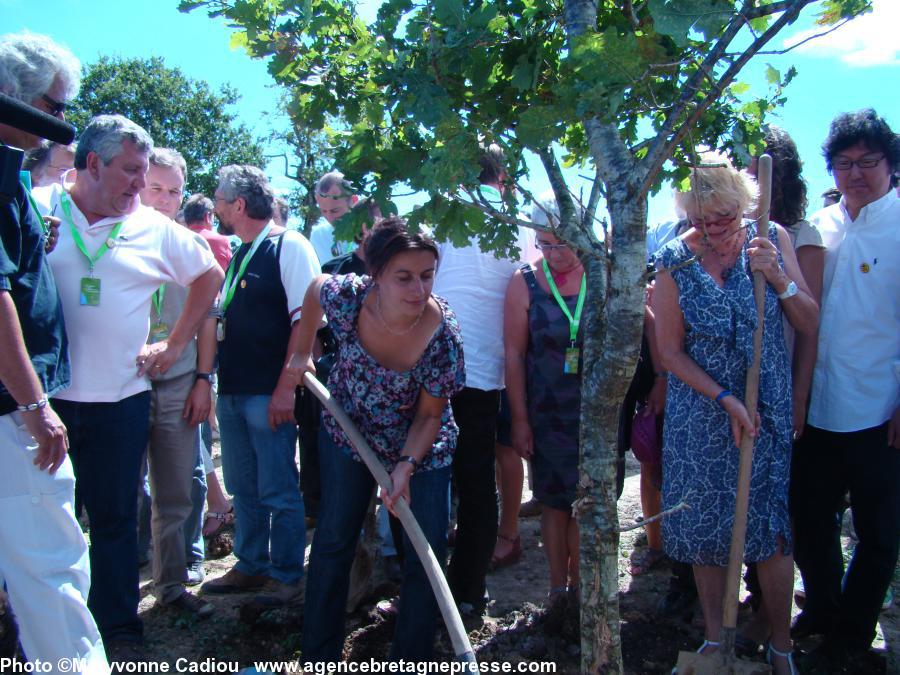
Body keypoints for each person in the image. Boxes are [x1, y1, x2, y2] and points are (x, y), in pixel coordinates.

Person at [39, 115, 223, 661]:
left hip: (121, 401)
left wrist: (173, 347)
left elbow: (208, 276)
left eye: (146, 175)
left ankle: (117, 627)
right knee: (47, 518)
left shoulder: (151, 226)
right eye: (132, 172)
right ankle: (44, 628)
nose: (140, 187)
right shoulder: (39, 206)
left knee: (115, 518)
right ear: (92, 164)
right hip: (43, 402)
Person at [651, 152, 818, 675]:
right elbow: (670, 351)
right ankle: (714, 638)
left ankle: (781, 643)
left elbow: (810, 322)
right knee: (705, 530)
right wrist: (723, 398)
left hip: (761, 412)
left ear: (744, 206)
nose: (715, 229)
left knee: (768, 530)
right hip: (701, 414)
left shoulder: (770, 241)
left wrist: (782, 281)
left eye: (724, 218)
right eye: (702, 220)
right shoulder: (675, 259)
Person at [294, 217, 464, 664]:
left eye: (427, 276)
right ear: (377, 275)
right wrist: (298, 353)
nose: (418, 290)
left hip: (422, 450)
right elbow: (314, 288)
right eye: (403, 277)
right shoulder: (349, 298)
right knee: (333, 540)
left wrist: (405, 465)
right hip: (350, 434)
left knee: (424, 556)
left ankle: (411, 660)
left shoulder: (441, 335)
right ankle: (318, 657)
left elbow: (430, 414)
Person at [0, 30, 107, 673]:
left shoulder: (12, 177)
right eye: (54, 104)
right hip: (11, 415)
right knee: (53, 566)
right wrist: (34, 403)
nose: (59, 121)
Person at [789, 109, 899, 671]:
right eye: (844, 163)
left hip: (880, 407)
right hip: (817, 405)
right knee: (811, 519)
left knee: (879, 532)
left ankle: (854, 632)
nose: (855, 173)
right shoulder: (819, 225)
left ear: (889, 164)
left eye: (868, 162)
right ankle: (826, 611)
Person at [199, 165, 320, 609]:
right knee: (243, 485)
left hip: (268, 392)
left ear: (239, 205)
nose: (215, 207)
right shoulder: (242, 250)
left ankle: (287, 575)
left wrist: (287, 387)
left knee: (278, 487)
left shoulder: (289, 245)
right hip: (233, 391)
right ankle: (250, 564)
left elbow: (307, 322)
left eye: (219, 200)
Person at [436, 143, 537, 624]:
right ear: (502, 174)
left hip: (433, 367)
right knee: (476, 481)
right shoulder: (519, 220)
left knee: (428, 478)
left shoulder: (438, 212)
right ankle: (468, 591)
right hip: (487, 369)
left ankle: (428, 584)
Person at [137, 147, 217, 615]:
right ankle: (118, 588)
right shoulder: (114, 239)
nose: (164, 199)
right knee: (121, 492)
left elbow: (209, 319)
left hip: (179, 381)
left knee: (174, 491)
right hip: (121, 384)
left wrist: (204, 379)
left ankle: (171, 586)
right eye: (155, 188)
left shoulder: (194, 249)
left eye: (174, 191)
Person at [504, 193, 584, 608]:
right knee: (555, 503)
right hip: (547, 411)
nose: (555, 253)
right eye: (545, 243)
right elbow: (515, 355)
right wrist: (520, 419)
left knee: (588, 504)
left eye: (563, 242)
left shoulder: (601, 273)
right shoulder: (525, 281)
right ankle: (557, 590)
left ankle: (583, 590)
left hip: (596, 412)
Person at [310, 171, 357, 264]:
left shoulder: (373, 229)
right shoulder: (319, 235)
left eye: (335, 210)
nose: (329, 217)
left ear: (353, 200)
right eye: (323, 211)